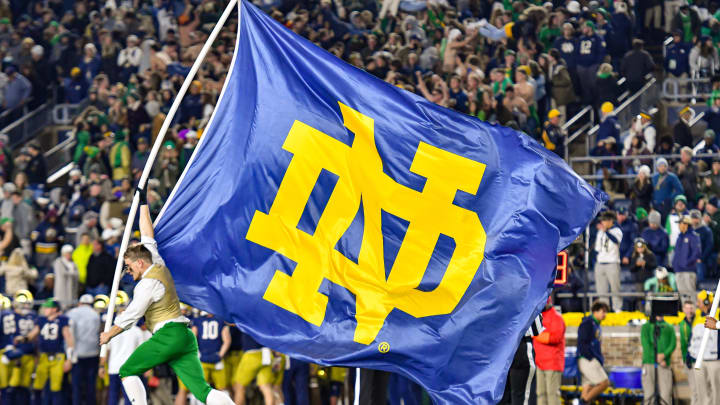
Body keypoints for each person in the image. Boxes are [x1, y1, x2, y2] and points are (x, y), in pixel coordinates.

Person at [98, 188, 235, 405]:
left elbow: (133, 315)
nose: (128, 270)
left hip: (168, 335)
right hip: (184, 336)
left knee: (127, 370)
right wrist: (143, 203)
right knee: (202, 391)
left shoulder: (147, 284)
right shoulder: (155, 260)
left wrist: (109, 334)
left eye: (129, 266)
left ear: (140, 263)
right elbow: (147, 233)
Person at [20, 298, 74, 405]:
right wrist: (23, 339)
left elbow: (68, 338)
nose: (44, 309)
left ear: (54, 309)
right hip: (43, 356)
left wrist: (69, 359)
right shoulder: (41, 320)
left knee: (56, 388)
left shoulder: (62, 319)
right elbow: (32, 335)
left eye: (47, 307)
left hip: (58, 356)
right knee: (37, 386)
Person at [100, 296, 148, 405]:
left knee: (113, 396)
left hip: (113, 368)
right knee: (130, 398)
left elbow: (106, 351)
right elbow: (141, 353)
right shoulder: (137, 331)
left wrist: (102, 366)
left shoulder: (110, 331)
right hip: (129, 369)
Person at [66, 294, 101, 405]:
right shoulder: (96, 314)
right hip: (92, 353)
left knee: (76, 386)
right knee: (91, 385)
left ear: (79, 303)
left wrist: (69, 356)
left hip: (77, 354)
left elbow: (69, 335)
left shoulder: (71, 313)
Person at [689, 290, 720, 405]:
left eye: (700, 301)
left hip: (714, 360)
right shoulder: (696, 315)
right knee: (701, 391)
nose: (697, 304)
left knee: (717, 391)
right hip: (699, 360)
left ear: (707, 302)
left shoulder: (719, 313)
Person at [533, 297, 565, 405]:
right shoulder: (538, 317)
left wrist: (537, 335)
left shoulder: (556, 318)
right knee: (540, 394)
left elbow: (555, 338)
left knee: (552, 395)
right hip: (539, 362)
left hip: (552, 363)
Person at [577, 301, 610, 404]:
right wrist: (591, 357)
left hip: (589, 359)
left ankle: (583, 400)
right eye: (603, 311)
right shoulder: (588, 323)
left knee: (588, 386)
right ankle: (583, 401)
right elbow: (582, 342)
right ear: (595, 311)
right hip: (587, 360)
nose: (605, 314)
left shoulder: (595, 324)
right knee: (604, 383)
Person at [640, 314, 676, 405]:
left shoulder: (669, 327)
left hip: (664, 363)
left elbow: (673, 344)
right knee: (649, 394)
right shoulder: (646, 326)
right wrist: (656, 357)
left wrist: (664, 355)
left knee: (666, 394)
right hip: (649, 363)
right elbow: (646, 344)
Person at [594, 211, 623, 312]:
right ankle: (604, 309)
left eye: (604, 220)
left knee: (615, 287)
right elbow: (597, 249)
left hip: (612, 262)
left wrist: (606, 231)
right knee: (601, 289)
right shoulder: (600, 232)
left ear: (610, 221)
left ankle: (617, 308)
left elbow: (616, 241)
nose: (602, 222)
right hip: (600, 263)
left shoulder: (617, 230)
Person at [672, 216, 701, 300]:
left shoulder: (693, 236)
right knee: (682, 294)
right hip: (678, 269)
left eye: (680, 223)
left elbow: (696, 253)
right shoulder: (679, 237)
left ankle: (693, 312)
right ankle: (686, 312)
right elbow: (676, 253)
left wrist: (686, 263)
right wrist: (675, 265)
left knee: (690, 293)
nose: (679, 226)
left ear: (686, 224)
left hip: (689, 270)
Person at [679, 301, 696, 405]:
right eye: (687, 308)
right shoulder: (682, 324)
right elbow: (683, 344)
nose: (689, 310)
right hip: (690, 359)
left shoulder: (698, 321)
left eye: (691, 308)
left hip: (701, 359)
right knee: (694, 388)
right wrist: (685, 359)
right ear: (683, 310)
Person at [53, 244, 79, 309]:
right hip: (62, 287)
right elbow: (63, 273)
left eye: (70, 253)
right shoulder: (59, 262)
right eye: (67, 253)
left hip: (72, 288)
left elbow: (77, 274)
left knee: (71, 304)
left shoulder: (73, 263)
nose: (69, 255)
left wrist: (72, 273)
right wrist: (71, 273)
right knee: (62, 304)